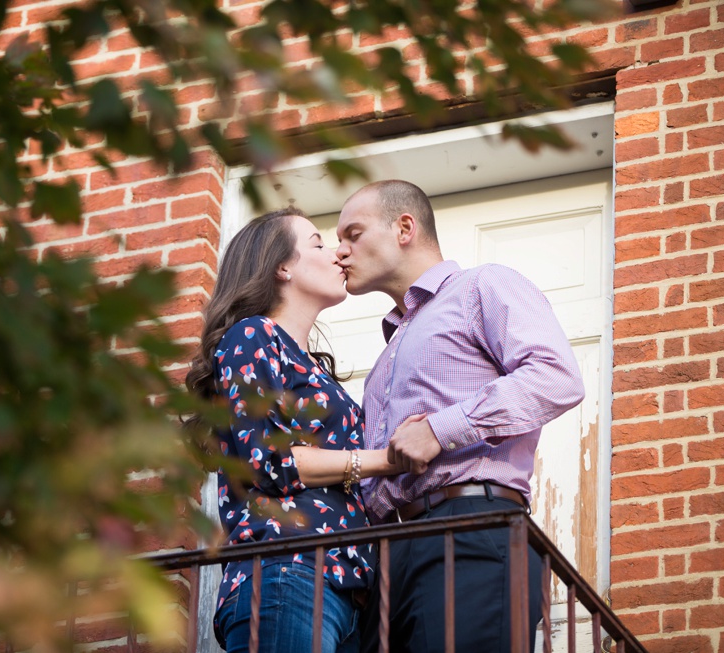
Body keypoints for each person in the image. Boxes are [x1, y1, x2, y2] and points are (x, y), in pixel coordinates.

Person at [334, 180, 586, 653]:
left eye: (353, 233)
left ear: (404, 227)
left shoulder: (481, 286)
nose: (339, 251)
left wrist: (440, 429)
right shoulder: (384, 362)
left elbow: (557, 377)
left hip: (470, 531)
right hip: (391, 559)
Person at [185, 207, 417, 653]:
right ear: (282, 266)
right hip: (287, 574)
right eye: (318, 243)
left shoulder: (316, 371)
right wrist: (387, 459)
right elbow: (270, 461)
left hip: (348, 595)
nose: (337, 254)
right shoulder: (252, 337)